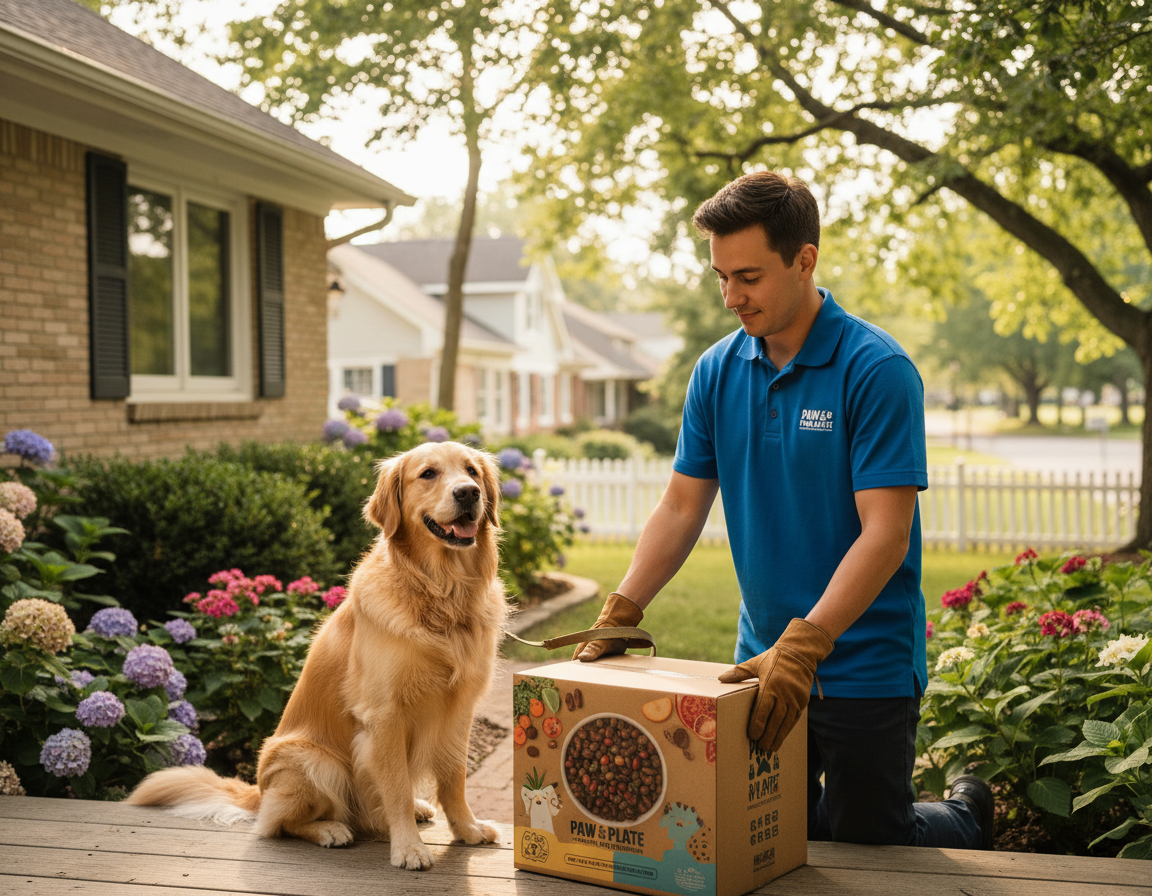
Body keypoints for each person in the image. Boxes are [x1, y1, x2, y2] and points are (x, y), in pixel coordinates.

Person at [573, 170, 993, 849]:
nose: (732, 297)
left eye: (749, 277)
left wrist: (806, 646)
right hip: (757, 659)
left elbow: (885, 536)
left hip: (863, 661)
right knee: (766, 835)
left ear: (805, 260)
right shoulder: (716, 371)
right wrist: (624, 608)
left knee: (873, 842)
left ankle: (966, 814)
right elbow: (682, 507)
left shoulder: (876, 370)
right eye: (720, 278)